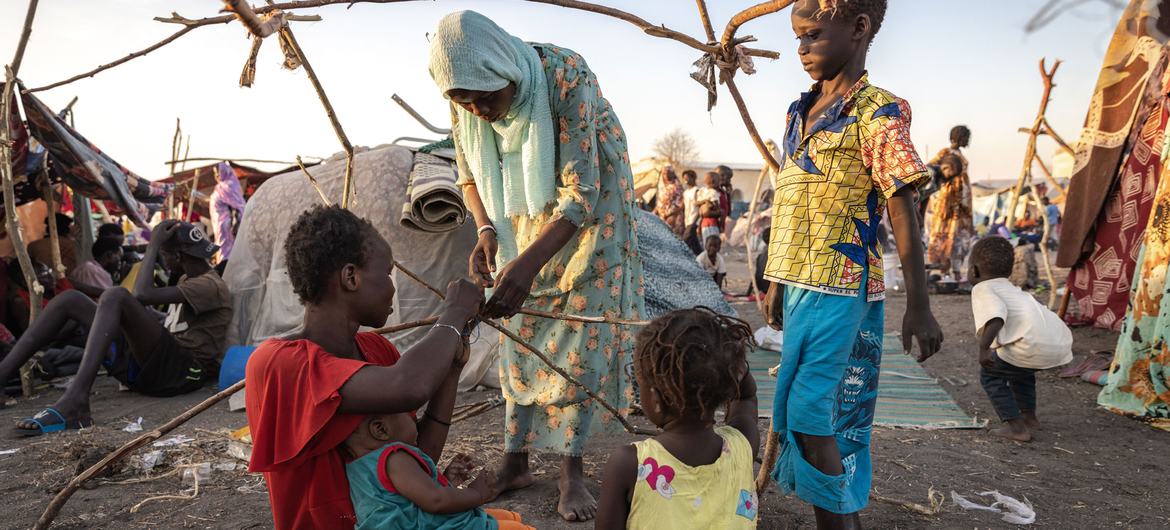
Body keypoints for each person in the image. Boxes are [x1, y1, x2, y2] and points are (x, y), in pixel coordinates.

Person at [429, 11, 646, 522]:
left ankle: (571, 469)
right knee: (521, 328)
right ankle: (515, 461)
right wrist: (486, 232)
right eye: (465, 102)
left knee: (577, 333)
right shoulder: (462, 99)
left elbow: (582, 193)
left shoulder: (565, 77)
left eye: (487, 97)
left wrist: (524, 268)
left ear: (506, 70)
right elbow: (468, 174)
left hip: (592, 216)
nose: (479, 111)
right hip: (521, 217)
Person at [761, 1, 943, 527]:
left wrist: (920, 306)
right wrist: (775, 281)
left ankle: (837, 520)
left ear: (859, 29)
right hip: (797, 282)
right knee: (804, 408)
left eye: (813, 36)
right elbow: (793, 202)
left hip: (840, 285)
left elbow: (902, 211)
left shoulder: (878, 112)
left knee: (810, 411)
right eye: (797, 38)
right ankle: (841, 514)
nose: (801, 50)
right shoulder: (801, 110)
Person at [245, 205, 484, 530]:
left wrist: (452, 370)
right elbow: (410, 388)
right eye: (387, 273)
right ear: (351, 277)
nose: (392, 287)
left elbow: (413, 456)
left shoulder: (376, 350)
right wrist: (454, 313)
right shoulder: (279, 363)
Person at [0, 220, 231, 435]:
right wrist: (150, 318)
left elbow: (140, 295)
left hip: (184, 373)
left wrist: (152, 246)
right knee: (70, 299)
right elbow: (176, 321)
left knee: (116, 296)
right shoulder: (188, 280)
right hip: (160, 366)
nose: (163, 259)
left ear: (177, 256)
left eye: (164, 254)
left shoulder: (210, 285)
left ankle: (76, 400)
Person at [595, 308, 759, 529]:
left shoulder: (629, 464)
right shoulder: (743, 445)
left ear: (655, 399)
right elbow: (747, 398)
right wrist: (733, 365)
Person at [968, 237, 1072, 442]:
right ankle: (1029, 416)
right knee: (1020, 372)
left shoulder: (983, 288)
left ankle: (1016, 427)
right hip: (1057, 343)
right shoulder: (1012, 289)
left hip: (1029, 345)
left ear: (975, 271)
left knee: (990, 375)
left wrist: (983, 349)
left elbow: (996, 318)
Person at [926, 127, 975, 279]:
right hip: (945, 203)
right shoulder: (944, 153)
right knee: (942, 236)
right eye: (966, 137)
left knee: (958, 238)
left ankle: (956, 270)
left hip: (960, 205)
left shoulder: (960, 155)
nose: (968, 140)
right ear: (960, 137)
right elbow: (930, 170)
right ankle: (943, 270)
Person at [655, 167, 686, 237]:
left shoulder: (677, 187)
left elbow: (680, 205)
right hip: (662, 218)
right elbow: (659, 203)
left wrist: (670, 215)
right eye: (664, 174)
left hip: (674, 218)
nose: (666, 176)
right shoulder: (662, 187)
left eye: (668, 174)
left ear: (673, 174)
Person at [697, 172, 722, 242]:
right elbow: (716, 206)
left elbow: (697, 203)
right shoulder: (713, 192)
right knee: (712, 243)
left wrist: (704, 201)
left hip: (704, 223)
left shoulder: (702, 191)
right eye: (719, 180)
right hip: (711, 223)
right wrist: (719, 211)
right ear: (713, 181)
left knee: (706, 244)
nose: (720, 183)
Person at [681, 169, 702, 254]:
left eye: (687, 178)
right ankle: (701, 259)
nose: (686, 180)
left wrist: (695, 221)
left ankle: (681, 258)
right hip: (687, 220)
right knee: (695, 245)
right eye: (684, 178)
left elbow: (699, 207)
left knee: (685, 242)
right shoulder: (685, 192)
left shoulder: (697, 191)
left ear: (693, 178)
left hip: (694, 220)